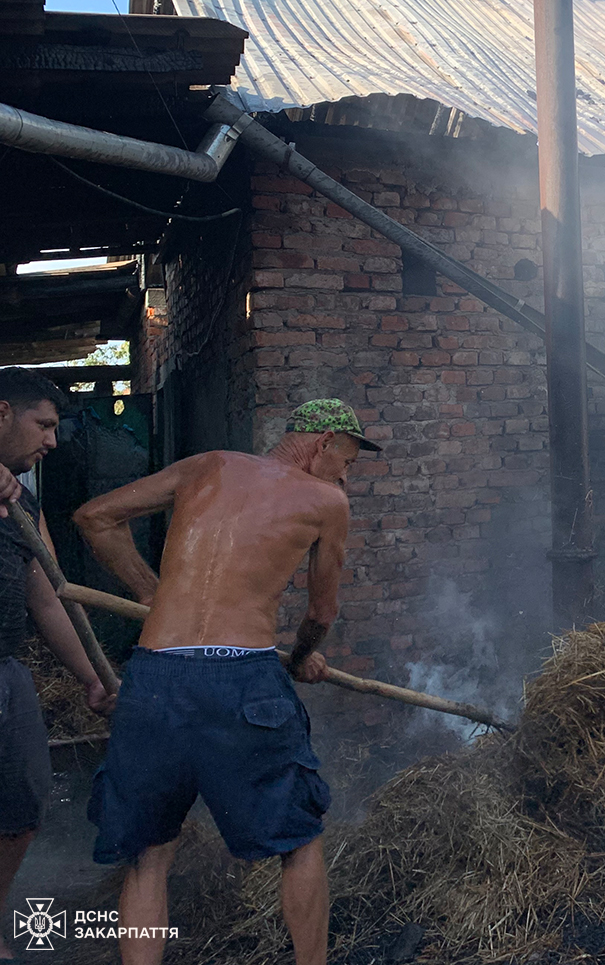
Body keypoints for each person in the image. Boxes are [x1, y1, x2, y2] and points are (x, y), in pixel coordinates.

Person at [73, 398, 381, 965]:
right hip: (242, 679)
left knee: (147, 854)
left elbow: (94, 517)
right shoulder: (325, 499)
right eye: (349, 461)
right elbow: (321, 613)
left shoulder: (207, 464)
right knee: (300, 840)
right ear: (324, 443)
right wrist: (300, 660)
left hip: (156, 675)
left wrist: (152, 592)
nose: (347, 476)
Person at [0, 368, 116, 960]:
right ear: (1, 413)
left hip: (6, 671)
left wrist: (93, 678)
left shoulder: (23, 503)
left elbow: (47, 597)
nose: (52, 440)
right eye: (43, 424)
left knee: (22, 803)